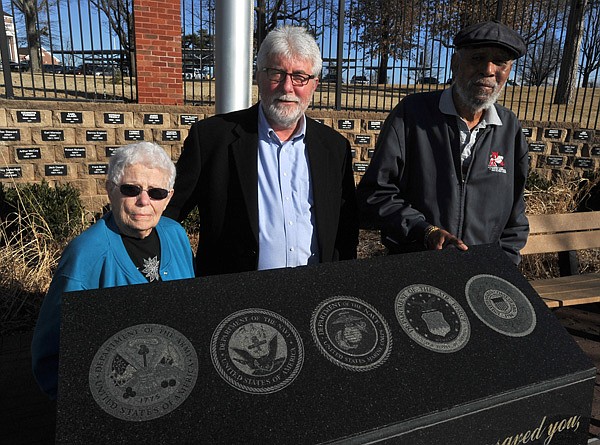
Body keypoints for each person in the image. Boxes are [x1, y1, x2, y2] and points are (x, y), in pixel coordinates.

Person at [165, 25, 359, 276]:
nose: (288, 87)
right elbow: (168, 213)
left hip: (314, 295)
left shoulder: (334, 148)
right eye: (277, 73)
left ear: (314, 85)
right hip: (235, 300)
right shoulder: (212, 139)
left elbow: (346, 229)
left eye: (300, 76)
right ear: (259, 76)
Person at [31, 141, 195, 400]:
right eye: (131, 189)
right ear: (110, 190)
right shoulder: (85, 255)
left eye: (156, 193)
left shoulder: (176, 235)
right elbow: (52, 353)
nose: (144, 201)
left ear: (169, 197)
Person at [357, 20, 529, 265]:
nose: (488, 70)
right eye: (477, 58)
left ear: (509, 70)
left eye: (500, 62)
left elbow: (515, 213)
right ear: (455, 63)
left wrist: (504, 263)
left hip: (483, 274)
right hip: (416, 267)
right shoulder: (412, 114)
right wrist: (424, 230)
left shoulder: (509, 127)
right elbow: (375, 193)